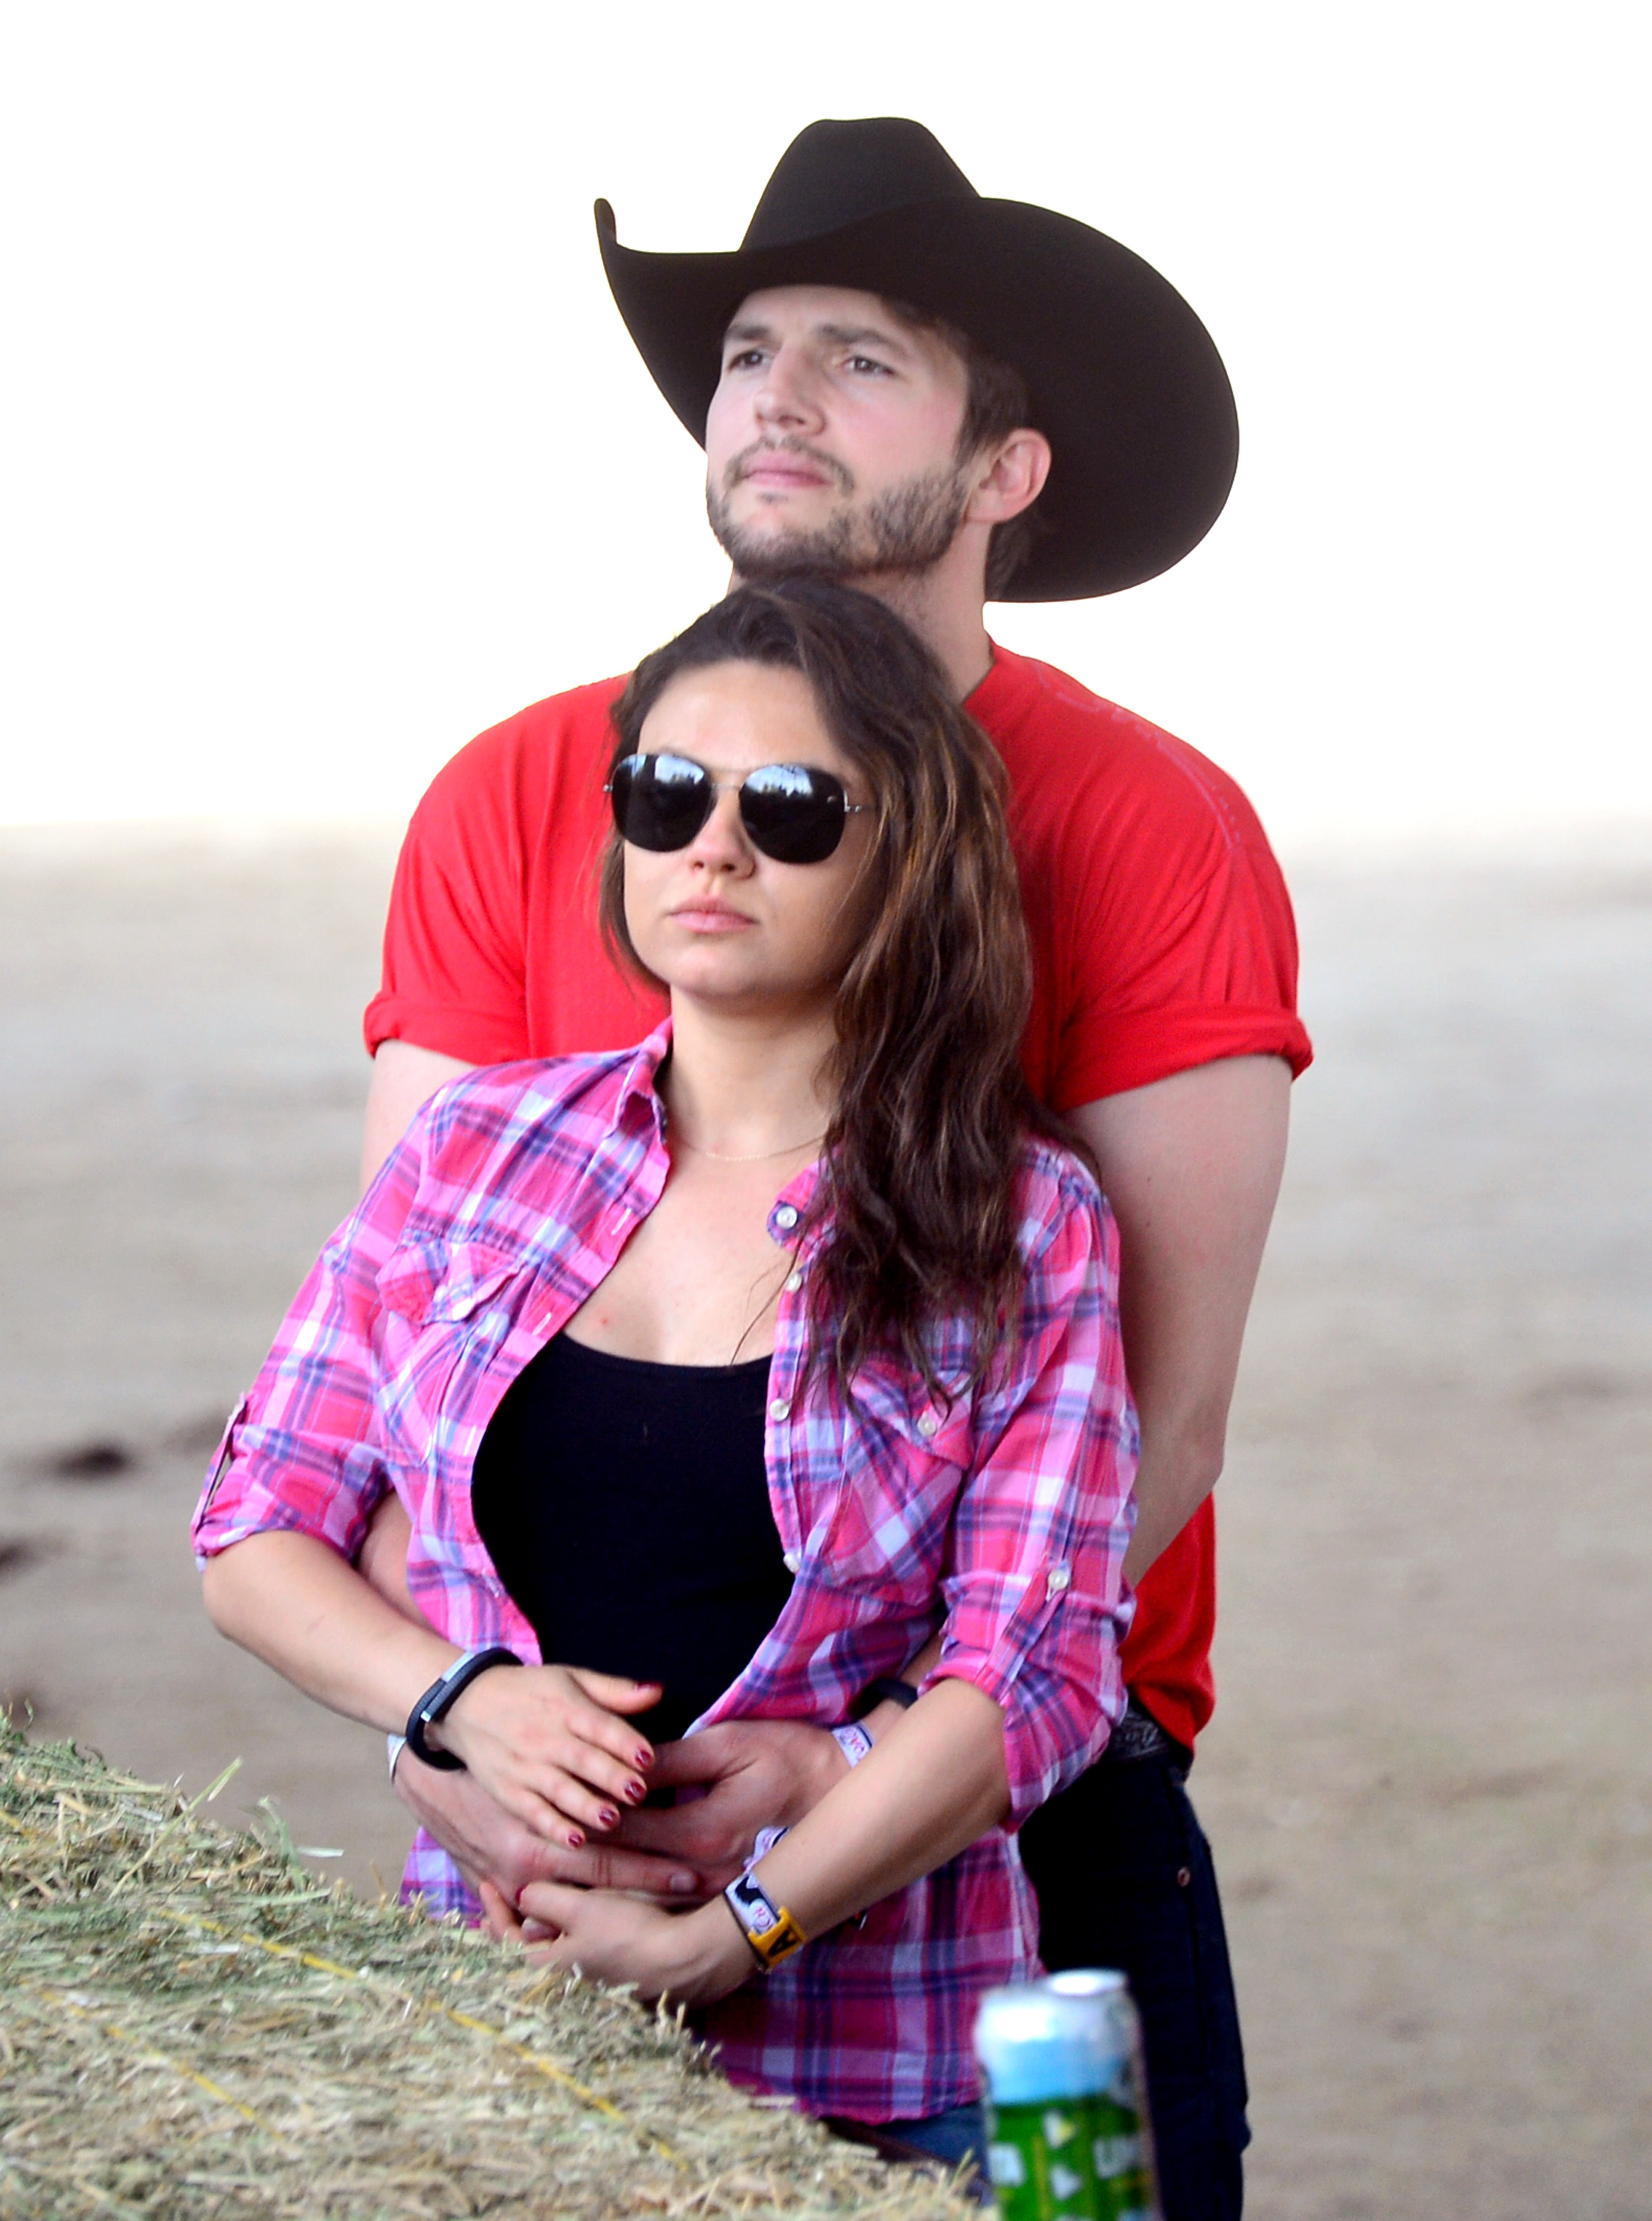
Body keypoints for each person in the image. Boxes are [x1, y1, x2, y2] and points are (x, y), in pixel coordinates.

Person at [356, 119, 1312, 2215]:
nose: (772, 394)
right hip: (552, 1808)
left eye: (860, 357)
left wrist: (853, 1759)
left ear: (1003, 471)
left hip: (1003, 1805)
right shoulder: (520, 797)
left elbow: (1158, 1413)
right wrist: (474, 1733)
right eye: (744, 353)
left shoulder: (1149, 830)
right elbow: (407, 1353)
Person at [194, 580, 1137, 2157]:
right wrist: (456, 1703)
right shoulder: (477, 1151)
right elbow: (256, 1527)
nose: (711, 844)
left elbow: (1033, 1674)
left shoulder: (1022, 1219)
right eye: (665, 792)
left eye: (787, 808)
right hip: (490, 2049)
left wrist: (733, 1936)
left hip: (874, 2081)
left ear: (906, 858)